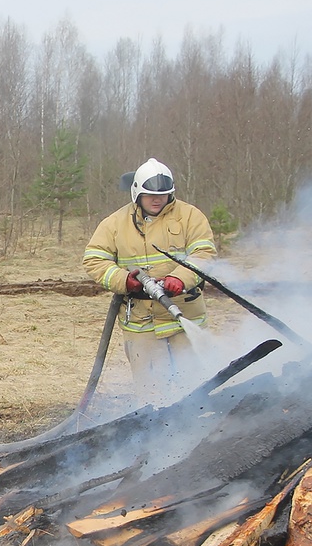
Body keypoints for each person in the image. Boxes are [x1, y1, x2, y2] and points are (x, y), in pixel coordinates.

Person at [82, 158, 216, 400]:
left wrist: (180, 278)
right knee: (152, 394)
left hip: (184, 315)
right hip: (142, 323)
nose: (157, 200)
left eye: (163, 195)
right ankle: (156, 435)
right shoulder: (114, 223)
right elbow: (94, 260)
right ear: (136, 193)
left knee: (195, 389)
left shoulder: (190, 217)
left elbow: (204, 253)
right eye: (150, 195)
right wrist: (124, 281)